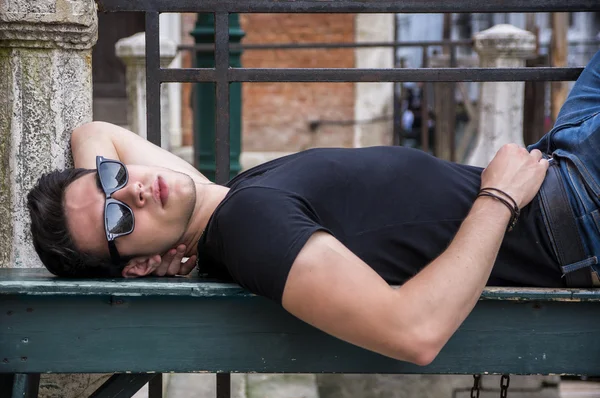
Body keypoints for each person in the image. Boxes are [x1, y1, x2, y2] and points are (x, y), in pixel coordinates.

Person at [26, 50, 600, 366]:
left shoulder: (221, 201)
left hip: (562, 153)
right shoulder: (250, 228)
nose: (129, 191)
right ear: (139, 266)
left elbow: (93, 129)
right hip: (573, 208)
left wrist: (133, 226)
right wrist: (498, 197)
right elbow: (414, 331)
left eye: (113, 178)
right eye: (115, 218)